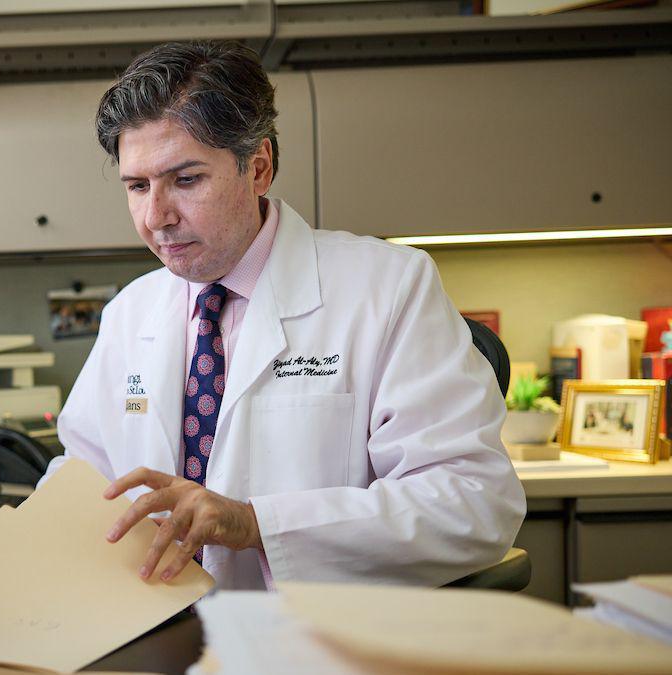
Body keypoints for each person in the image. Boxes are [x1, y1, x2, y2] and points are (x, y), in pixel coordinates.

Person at [39, 41, 526, 590]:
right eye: (137, 186)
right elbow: (82, 477)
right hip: (152, 632)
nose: (157, 218)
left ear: (259, 167)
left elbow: (474, 503)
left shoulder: (388, 287)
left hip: (314, 642)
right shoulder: (132, 311)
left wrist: (255, 524)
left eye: (186, 179)